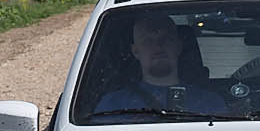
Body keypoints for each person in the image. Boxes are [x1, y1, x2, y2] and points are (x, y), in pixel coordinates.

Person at [92, 12, 226, 117]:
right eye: (147, 41)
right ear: (135, 51)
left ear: (178, 46)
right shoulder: (111, 107)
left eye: (166, 39)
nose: (158, 46)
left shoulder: (211, 103)